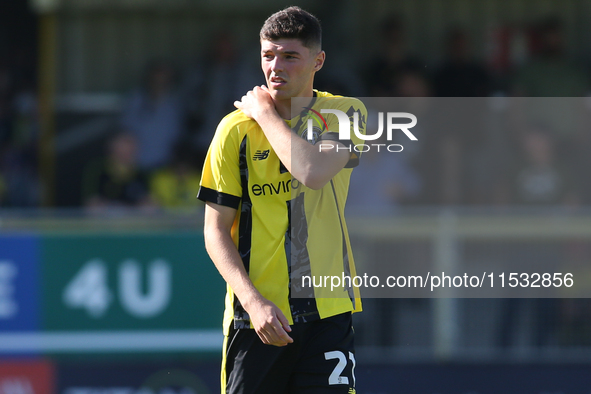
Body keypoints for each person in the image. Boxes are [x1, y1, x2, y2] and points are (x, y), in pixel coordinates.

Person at [197, 7, 365, 393]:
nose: (276, 67)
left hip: (328, 315)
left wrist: (265, 114)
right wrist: (254, 303)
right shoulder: (233, 131)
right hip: (256, 321)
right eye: (268, 55)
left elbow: (313, 173)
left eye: (290, 56)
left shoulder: (344, 112)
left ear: (317, 61)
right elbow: (215, 230)